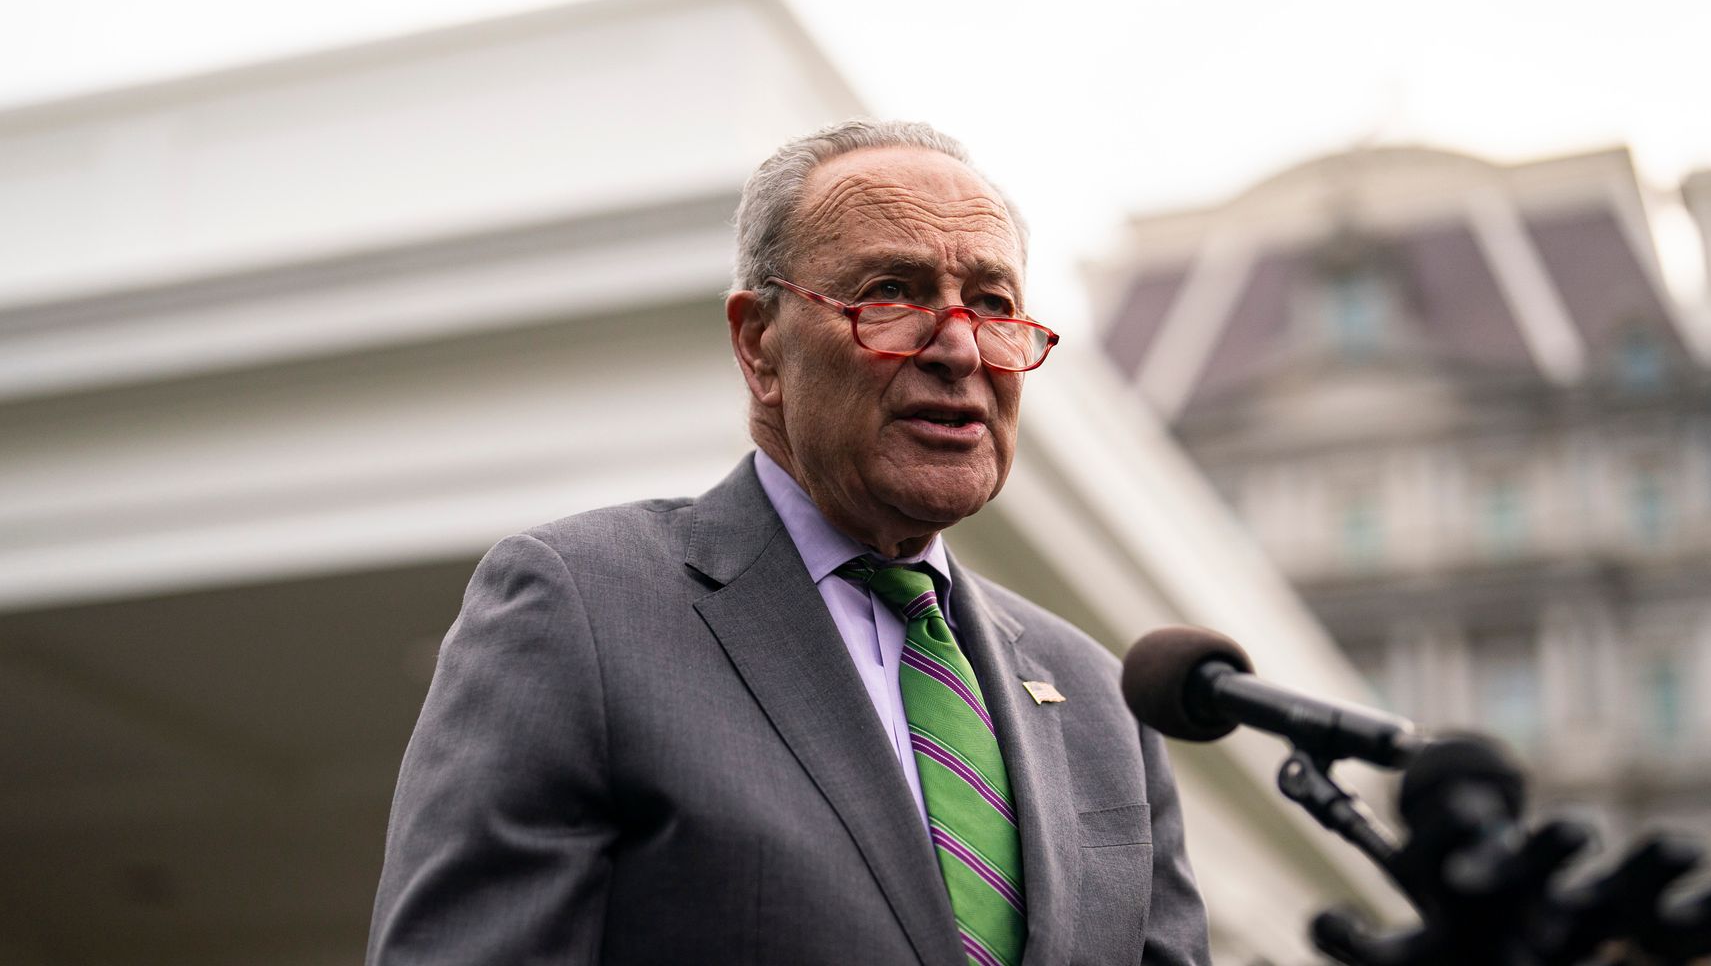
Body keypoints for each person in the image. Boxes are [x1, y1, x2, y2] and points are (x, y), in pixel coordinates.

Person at [366, 120, 1211, 965]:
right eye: (892, 292)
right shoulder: (579, 609)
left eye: (993, 304)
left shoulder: (1104, 700)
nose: (959, 347)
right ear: (759, 343)